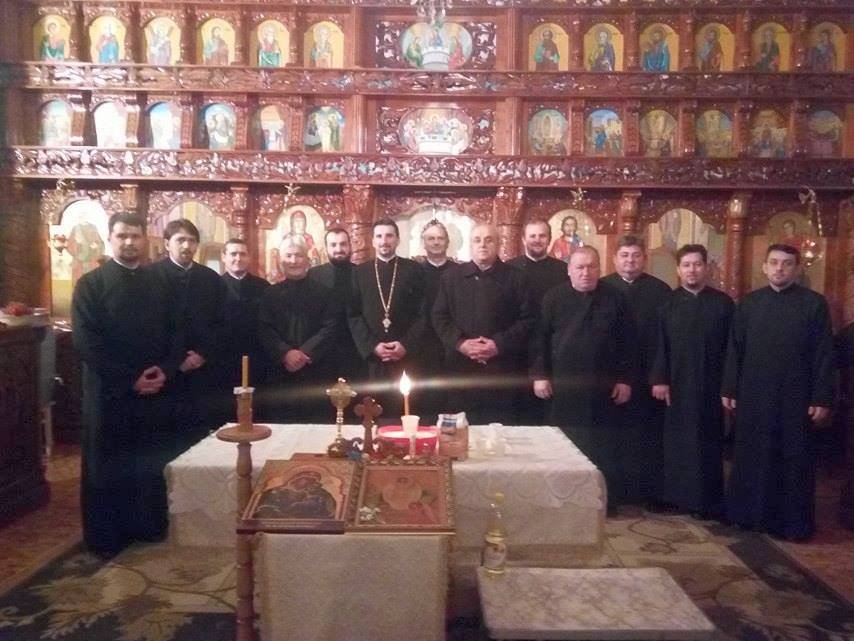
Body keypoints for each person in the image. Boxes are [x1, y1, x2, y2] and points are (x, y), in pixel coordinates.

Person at [72, 212, 185, 557]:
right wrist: (129, 379)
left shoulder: (161, 284)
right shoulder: (91, 284)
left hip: (154, 390)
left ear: (145, 240)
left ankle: (148, 525)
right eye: (122, 236)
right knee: (108, 464)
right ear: (110, 238)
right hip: (110, 393)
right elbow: (86, 341)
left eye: (135, 236)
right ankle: (107, 537)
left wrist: (166, 370)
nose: (129, 242)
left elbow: (177, 332)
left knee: (150, 461)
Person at [722, 244, 834, 541]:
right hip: (754, 395)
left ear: (797, 268)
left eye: (786, 263)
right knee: (753, 457)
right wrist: (730, 387)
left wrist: (821, 397)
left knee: (793, 460)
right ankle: (748, 517)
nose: (779, 269)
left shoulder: (814, 304)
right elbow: (735, 349)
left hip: (796, 397)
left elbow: (824, 354)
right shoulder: (749, 304)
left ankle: (792, 525)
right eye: (774, 263)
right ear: (764, 267)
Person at [530, 247, 635, 512]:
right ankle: (562, 501)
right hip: (563, 385)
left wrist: (624, 379)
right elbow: (540, 340)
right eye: (579, 267)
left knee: (603, 445)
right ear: (569, 270)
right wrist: (540, 375)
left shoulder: (616, 298)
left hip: (604, 387)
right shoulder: (553, 297)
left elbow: (628, 342)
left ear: (599, 269)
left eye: (591, 267)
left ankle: (602, 502)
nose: (585, 272)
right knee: (564, 443)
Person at [649, 245, 734, 518]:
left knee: (709, 441)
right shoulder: (667, 304)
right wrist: (660, 379)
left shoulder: (723, 304)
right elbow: (659, 345)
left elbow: (732, 349)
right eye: (686, 265)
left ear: (706, 267)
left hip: (712, 385)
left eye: (697, 264)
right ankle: (676, 497)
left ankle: (707, 500)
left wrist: (729, 386)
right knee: (677, 441)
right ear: (678, 270)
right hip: (677, 384)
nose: (692, 270)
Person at [432, 223, 533, 424]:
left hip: (502, 370)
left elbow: (528, 319)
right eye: (477, 240)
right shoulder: (451, 277)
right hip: (460, 370)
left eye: (489, 240)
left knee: (500, 431)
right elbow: (439, 317)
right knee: (459, 430)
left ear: (498, 244)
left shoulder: (516, 278)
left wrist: (498, 344)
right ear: (470, 245)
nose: (483, 245)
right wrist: (461, 343)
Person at [600, 235, 671, 507]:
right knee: (613, 437)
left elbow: (665, 339)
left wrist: (659, 376)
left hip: (647, 376)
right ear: (614, 258)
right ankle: (614, 493)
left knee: (646, 437)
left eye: (636, 255)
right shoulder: (602, 287)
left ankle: (646, 494)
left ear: (644, 259)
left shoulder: (660, 291)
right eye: (625, 255)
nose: (630, 260)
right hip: (611, 377)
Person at [149, 219, 227, 437]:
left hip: (203, 369)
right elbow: (146, 326)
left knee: (201, 433)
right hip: (164, 370)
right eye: (180, 240)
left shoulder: (211, 279)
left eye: (192, 241)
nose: (186, 246)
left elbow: (222, 323)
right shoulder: (149, 277)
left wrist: (202, 354)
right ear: (167, 244)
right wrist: (176, 362)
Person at [349, 218, 425, 417]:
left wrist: (405, 344)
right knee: (372, 415)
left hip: (406, 358)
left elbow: (423, 314)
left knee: (405, 414)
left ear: (397, 240)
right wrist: (372, 346)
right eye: (379, 236)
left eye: (389, 236)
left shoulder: (414, 270)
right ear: (373, 241)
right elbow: (353, 314)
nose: (384, 241)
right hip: (372, 361)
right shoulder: (360, 272)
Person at [258, 238, 339, 422]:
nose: (293, 261)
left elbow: (330, 327)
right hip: (281, 373)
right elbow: (264, 328)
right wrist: (285, 353)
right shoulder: (270, 294)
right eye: (288, 256)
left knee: (316, 425)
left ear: (307, 260)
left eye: (298, 255)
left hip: (315, 371)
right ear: (281, 261)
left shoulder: (325, 293)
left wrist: (305, 352)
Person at [510, 221, 568, 423]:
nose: (537, 240)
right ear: (523, 239)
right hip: (516, 349)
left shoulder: (563, 270)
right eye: (532, 236)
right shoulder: (509, 268)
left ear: (549, 239)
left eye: (542, 236)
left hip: (551, 349)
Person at [308, 227, 365, 384]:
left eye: (343, 244)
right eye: (333, 245)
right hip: (321, 351)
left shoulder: (361, 273)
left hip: (354, 349)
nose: (338, 249)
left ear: (350, 246)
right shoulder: (313, 275)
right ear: (326, 248)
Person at [412, 220, 456, 418]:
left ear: (447, 242)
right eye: (431, 238)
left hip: (452, 344)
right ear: (424, 242)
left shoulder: (459, 272)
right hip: (422, 345)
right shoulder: (414, 272)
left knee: (451, 399)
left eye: (440, 238)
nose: (436, 242)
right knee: (423, 401)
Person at [220, 238, 269, 390]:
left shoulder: (263, 287)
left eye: (243, 254)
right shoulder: (214, 286)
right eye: (233, 254)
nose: (238, 258)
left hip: (258, 356)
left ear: (249, 257)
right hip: (223, 358)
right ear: (224, 257)